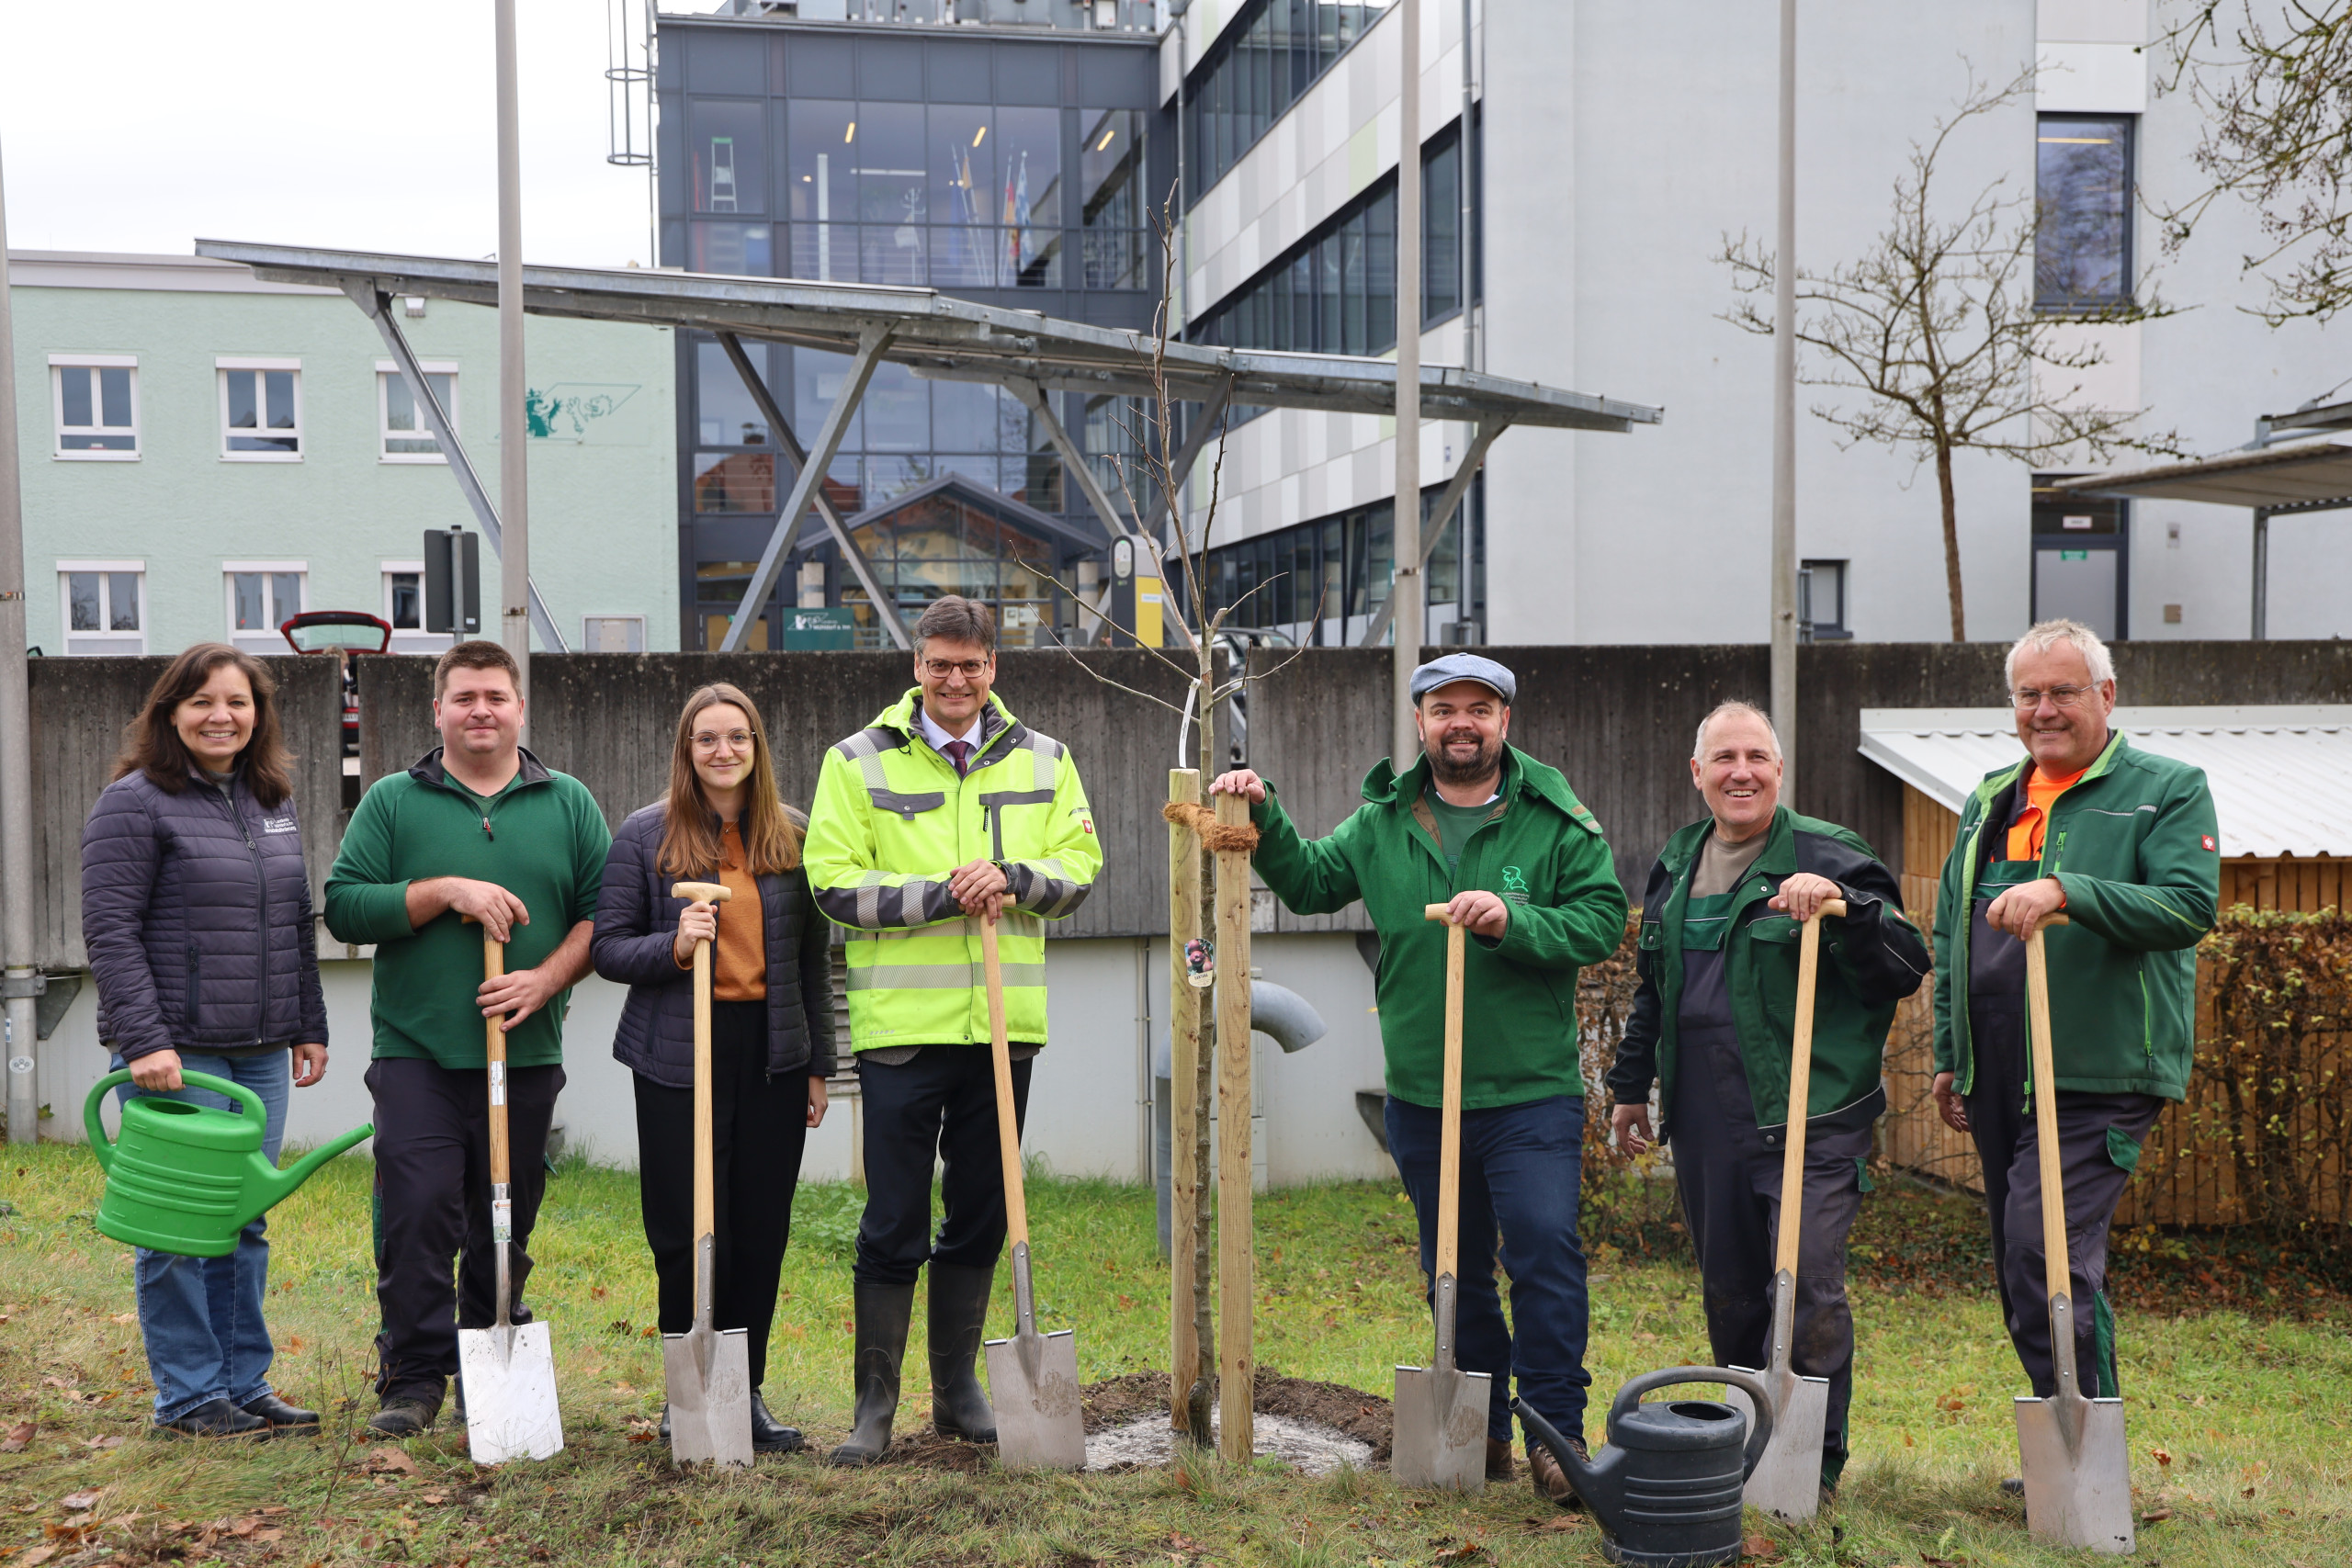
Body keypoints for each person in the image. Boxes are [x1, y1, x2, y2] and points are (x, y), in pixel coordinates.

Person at [1210, 652, 1628, 1500]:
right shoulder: (1385, 819)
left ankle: (1554, 1434)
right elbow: (1311, 882)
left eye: (1478, 708)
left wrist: (1515, 920)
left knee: (1544, 1256)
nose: (1461, 723)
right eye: (1444, 709)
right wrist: (1264, 813)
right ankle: (1482, 1432)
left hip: (1528, 1094)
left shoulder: (1553, 818)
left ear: (1504, 720)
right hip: (1424, 1097)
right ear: (1420, 721)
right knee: (1454, 1271)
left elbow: (1602, 919)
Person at [801, 595, 1101, 1466]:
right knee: (893, 1214)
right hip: (901, 1028)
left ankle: (958, 1390)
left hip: (1003, 1030)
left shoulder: (1046, 759)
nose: (955, 678)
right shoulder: (856, 761)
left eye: (971, 664)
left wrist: (1009, 876)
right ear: (917, 665)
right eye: (940, 663)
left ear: (992, 667)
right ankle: (874, 1404)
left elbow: (1080, 867)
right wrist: (943, 892)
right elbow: (832, 882)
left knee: (980, 1211)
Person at [1606, 701, 1928, 1501]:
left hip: (1811, 1117)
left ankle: (1813, 1466)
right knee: (1734, 1291)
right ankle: (1751, 1453)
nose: (1740, 771)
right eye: (1724, 758)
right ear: (1698, 772)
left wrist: (1845, 906)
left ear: (1780, 769)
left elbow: (1905, 962)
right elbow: (1655, 987)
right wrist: (1629, 1087)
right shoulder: (1677, 862)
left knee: (1807, 1284)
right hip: (1706, 1119)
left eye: (1756, 756)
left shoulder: (1829, 852)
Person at [1928, 619, 2216, 1477]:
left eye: (2063, 691)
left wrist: (2068, 889)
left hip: (2099, 1065)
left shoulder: (2165, 789)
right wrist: (1950, 1051)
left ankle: (2091, 1460)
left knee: (2043, 1248)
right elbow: (1951, 930)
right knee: (2023, 1263)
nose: (2044, 709)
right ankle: (2065, 1445)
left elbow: (2187, 906)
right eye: (2029, 694)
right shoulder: (1990, 796)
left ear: (2106, 695)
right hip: (1997, 1067)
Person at [323, 640, 613, 1437]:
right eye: (464, 697)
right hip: (416, 1051)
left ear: (520, 707)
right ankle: (413, 1376)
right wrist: (445, 889)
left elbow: (604, 917)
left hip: (525, 1053)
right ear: (438, 710)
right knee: (417, 1212)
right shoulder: (392, 801)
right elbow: (345, 906)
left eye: (494, 696)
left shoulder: (568, 802)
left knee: (505, 1217)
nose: (480, 710)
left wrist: (543, 979)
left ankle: (491, 1349)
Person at [80, 644, 332, 1440]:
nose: (222, 716)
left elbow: (294, 921)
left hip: (260, 1049)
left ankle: (242, 1384)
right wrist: (144, 1039)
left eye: (238, 701)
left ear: (259, 714)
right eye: (202, 701)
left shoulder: (270, 799)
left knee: (243, 1218)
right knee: (180, 1227)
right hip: (176, 1054)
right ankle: (188, 1397)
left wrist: (309, 1023)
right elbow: (110, 930)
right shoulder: (134, 802)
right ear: (170, 712)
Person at [593, 682, 835, 1455]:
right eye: (707, 738)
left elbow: (811, 960)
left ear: (756, 745)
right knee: (685, 1227)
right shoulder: (644, 835)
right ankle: (689, 1391)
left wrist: (819, 1065)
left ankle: (744, 1391)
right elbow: (607, 947)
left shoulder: (793, 835)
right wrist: (673, 944)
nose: (723, 750)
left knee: (759, 1228)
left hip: (770, 1052)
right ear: (686, 749)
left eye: (737, 737)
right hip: (677, 1052)